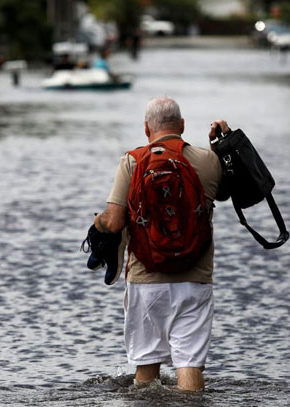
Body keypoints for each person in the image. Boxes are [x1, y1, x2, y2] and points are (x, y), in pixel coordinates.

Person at [92, 97, 230, 391]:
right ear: (182, 125)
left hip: (146, 280)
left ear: (146, 129)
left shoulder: (132, 161)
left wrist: (97, 223)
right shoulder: (208, 161)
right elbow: (234, 192)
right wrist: (224, 144)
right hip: (195, 278)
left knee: (146, 366)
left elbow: (114, 222)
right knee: (189, 363)